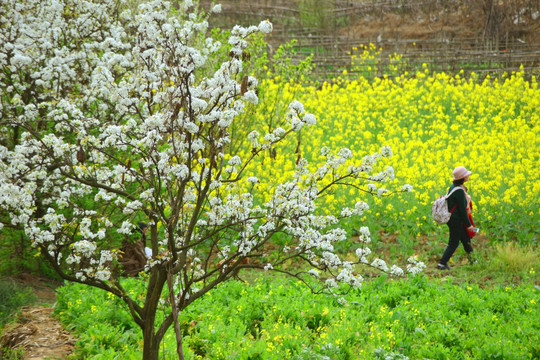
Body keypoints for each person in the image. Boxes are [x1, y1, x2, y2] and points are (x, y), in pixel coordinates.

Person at [437, 166, 476, 270]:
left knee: (465, 240)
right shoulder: (458, 191)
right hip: (456, 220)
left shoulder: (454, 187)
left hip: (455, 219)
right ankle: (442, 264)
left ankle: (474, 261)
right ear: (461, 177)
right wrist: (469, 225)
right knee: (454, 243)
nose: (468, 175)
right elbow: (462, 210)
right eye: (466, 174)